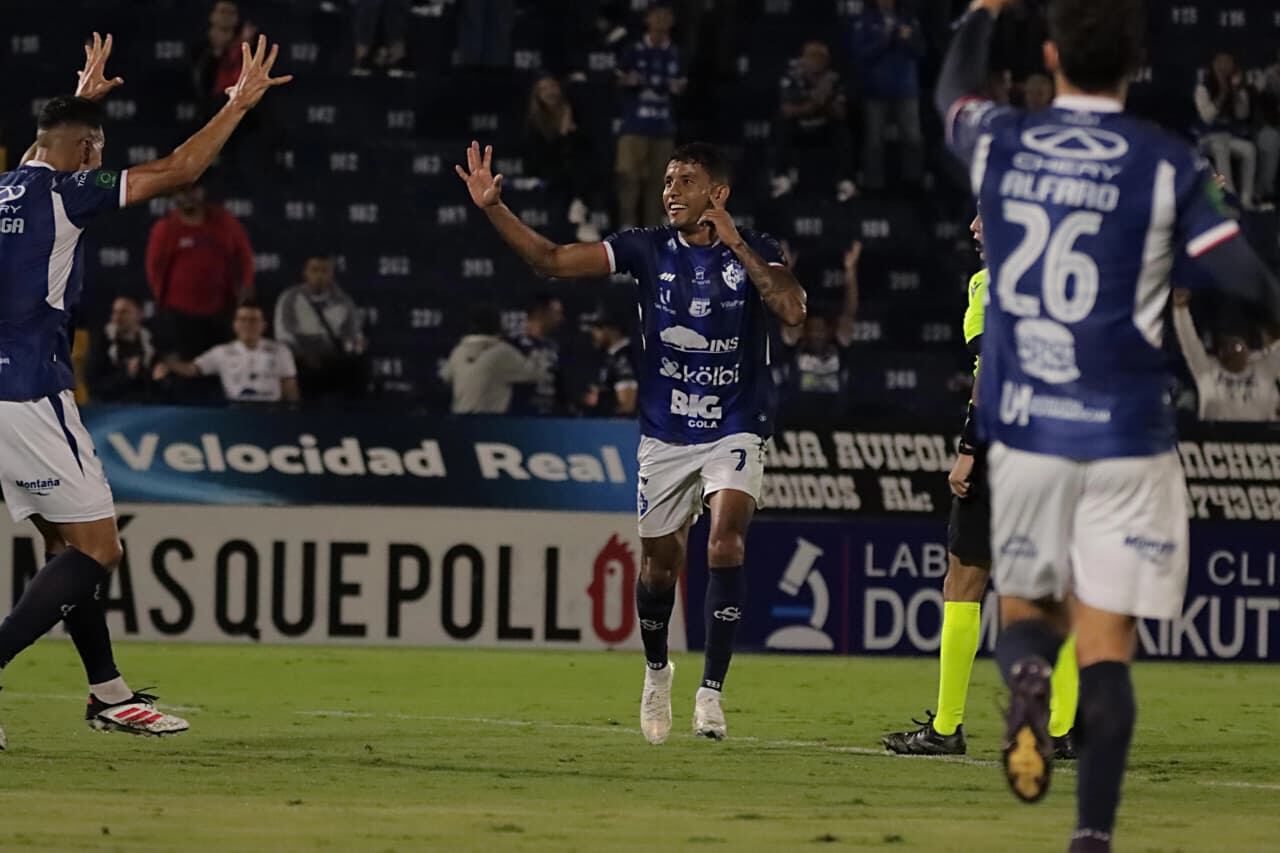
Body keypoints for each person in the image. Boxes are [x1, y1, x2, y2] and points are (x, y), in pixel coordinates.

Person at [938, 3, 1280, 851]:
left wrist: (982, 15)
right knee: (1105, 643)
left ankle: (1020, 674)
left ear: (1051, 56)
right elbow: (1241, 269)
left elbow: (951, 88)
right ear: (1137, 63)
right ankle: (1090, 832)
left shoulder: (1004, 145)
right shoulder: (1167, 161)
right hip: (1127, 433)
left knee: (1025, 607)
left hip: (1028, 436)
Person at [456, 139, 806, 743]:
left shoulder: (758, 250)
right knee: (659, 568)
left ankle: (712, 694)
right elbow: (553, 259)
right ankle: (656, 670)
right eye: (668, 179)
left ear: (717, 194)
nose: (670, 189)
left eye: (687, 180)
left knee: (725, 543)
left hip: (734, 423)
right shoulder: (646, 248)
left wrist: (738, 246)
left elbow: (793, 310)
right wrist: (493, 208)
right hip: (666, 432)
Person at [0, 32, 289, 744]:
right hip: (30, 391)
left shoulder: (6, 186)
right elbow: (181, 168)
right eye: (94, 152)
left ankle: (108, 692)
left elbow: (57, 144)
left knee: (63, 546)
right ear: (83, 155)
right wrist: (238, 103)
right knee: (98, 549)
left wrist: (83, 106)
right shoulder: (70, 193)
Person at [881, 215, 1079, 759]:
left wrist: (969, 450)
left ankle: (948, 726)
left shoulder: (989, 284)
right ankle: (1062, 730)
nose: (972, 227)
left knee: (964, 580)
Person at [145, 181, 255, 358]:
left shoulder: (225, 221)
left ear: (202, 191)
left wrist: (247, 284)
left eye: (193, 190)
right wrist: (163, 301)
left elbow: (244, 255)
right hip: (180, 316)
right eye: (182, 191)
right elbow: (154, 269)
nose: (188, 196)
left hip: (221, 312)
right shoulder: (165, 228)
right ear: (174, 196)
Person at [615, 4, 686, 228]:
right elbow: (617, 78)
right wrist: (628, 80)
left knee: (661, 184)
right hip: (634, 125)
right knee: (627, 178)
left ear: (672, 21)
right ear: (647, 19)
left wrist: (678, 87)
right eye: (656, 15)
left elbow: (682, 86)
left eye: (666, 15)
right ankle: (626, 228)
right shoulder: (633, 50)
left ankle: (654, 232)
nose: (661, 20)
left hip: (663, 127)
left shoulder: (676, 53)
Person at [774, 240, 860, 422]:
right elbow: (789, 312)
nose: (817, 334)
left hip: (837, 418)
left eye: (820, 330)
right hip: (797, 418)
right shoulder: (794, 344)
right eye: (812, 329)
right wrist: (787, 270)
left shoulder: (839, 345)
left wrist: (850, 270)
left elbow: (849, 313)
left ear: (829, 332)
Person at [155, 300, 300, 403]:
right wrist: (169, 365)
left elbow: (290, 386)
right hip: (236, 412)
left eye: (253, 320)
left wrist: (292, 414)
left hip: (271, 412)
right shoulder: (222, 352)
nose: (248, 325)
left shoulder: (281, 351)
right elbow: (192, 369)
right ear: (235, 325)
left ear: (263, 325)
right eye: (243, 320)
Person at [1172, 288, 1280, 421]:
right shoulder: (1206, 369)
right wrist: (1180, 309)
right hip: (1216, 439)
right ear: (1220, 351)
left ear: (1247, 348)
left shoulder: (1264, 368)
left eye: (1237, 346)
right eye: (1227, 346)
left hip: (1261, 439)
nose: (1232, 351)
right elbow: (1188, 340)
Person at [853, 0, 926, 191]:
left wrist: (908, 39)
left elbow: (921, 51)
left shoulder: (908, 18)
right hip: (875, 89)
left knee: (912, 138)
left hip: (905, 88)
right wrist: (885, 39)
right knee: (874, 141)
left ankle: (913, 183)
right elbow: (860, 54)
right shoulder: (866, 20)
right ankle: (873, 185)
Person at [273, 253, 366, 400]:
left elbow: (353, 335)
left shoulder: (343, 301)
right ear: (305, 272)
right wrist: (304, 355)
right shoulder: (290, 298)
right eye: (315, 270)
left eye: (325, 271)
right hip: (300, 359)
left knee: (356, 366)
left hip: (332, 359)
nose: (319, 276)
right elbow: (283, 335)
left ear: (331, 274)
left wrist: (355, 345)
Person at [772, 41, 855, 202]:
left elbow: (840, 113)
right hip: (800, 127)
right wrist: (817, 101)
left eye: (821, 57)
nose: (817, 61)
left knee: (843, 131)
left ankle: (846, 181)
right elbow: (787, 110)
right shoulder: (792, 78)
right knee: (782, 126)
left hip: (824, 127)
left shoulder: (834, 79)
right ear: (803, 59)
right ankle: (781, 178)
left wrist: (820, 102)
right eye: (812, 57)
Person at [524, 76, 600, 243]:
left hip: (577, 177)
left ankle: (580, 205)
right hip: (552, 175)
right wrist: (564, 134)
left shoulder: (574, 113)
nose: (549, 92)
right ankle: (577, 212)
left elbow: (586, 148)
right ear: (537, 95)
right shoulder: (535, 124)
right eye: (544, 89)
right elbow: (543, 157)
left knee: (580, 165)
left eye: (552, 87)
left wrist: (570, 133)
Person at [439, 305, 546, 414]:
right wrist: (536, 344)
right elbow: (536, 373)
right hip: (490, 425)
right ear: (498, 326)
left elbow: (445, 376)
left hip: (461, 424)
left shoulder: (459, 351)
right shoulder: (502, 352)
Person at [1194, 51, 1261, 211]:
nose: (1224, 67)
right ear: (1214, 66)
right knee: (1220, 146)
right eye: (1221, 63)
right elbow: (1207, 117)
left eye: (1228, 63)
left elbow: (1242, 114)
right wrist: (1222, 94)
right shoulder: (1203, 88)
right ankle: (1228, 197)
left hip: (1226, 137)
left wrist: (1237, 92)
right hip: (1205, 138)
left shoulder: (1236, 88)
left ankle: (1246, 198)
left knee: (1249, 149)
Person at [85, 295, 156, 403]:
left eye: (124, 312)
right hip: (108, 406)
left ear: (139, 314)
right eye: (115, 312)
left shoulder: (149, 341)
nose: (117, 317)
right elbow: (93, 384)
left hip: (144, 406)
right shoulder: (102, 343)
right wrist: (126, 372)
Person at [507, 293, 565, 416]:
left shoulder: (554, 347)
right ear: (541, 313)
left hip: (551, 418)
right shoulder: (513, 347)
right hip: (520, 418)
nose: (561, 318)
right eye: (556, 312)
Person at [584, 311, 638, 417]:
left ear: (613, 330)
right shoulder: (615, 356)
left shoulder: (624, 357)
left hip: (620, 430)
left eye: (598, 329)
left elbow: (628, 405)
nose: (593, 333)